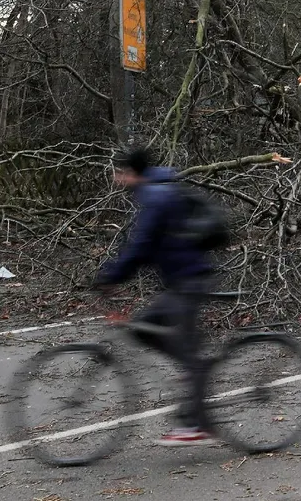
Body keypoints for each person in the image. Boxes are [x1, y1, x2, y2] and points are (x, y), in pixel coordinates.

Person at [96, 147, 217, 446]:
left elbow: (141, 246)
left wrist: (111, 276)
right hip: (179, 281)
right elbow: (145, 246)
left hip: (190, 280)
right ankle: (192, 365)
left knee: (188, 355)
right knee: (141, 329)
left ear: (130, 172)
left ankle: (194, 424)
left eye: (119, 172)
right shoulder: (154, 190)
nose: (116, 179)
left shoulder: (155, 196)